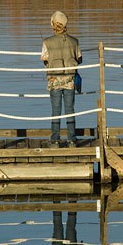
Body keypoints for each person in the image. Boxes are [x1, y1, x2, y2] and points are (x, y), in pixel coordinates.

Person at [40, 11, 82, 148]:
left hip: (54, 80)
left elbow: (45, 60)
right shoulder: (74, 41)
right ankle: (72, 140)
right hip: (69, 80)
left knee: (55, 110)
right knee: (70, 109)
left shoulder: (47, 42)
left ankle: (55, 141)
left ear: (53, 24)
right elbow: (79, 59)